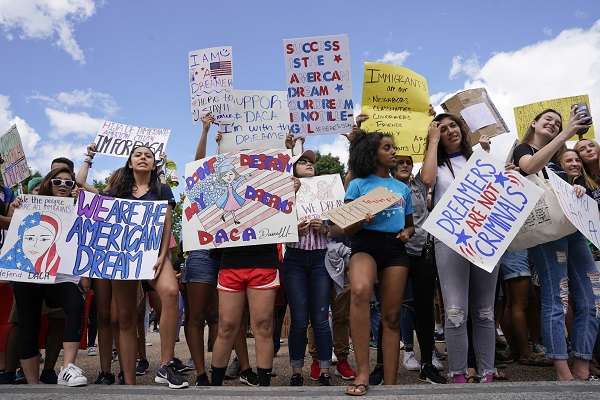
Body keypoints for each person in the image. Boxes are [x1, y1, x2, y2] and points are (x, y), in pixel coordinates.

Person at [77, 146, 187, 388]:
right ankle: (128, 383)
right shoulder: (117, 191)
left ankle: (166, 365)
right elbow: (81, 185)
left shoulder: (162, 189)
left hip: (155, 256)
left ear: (154, 164)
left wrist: (162, 255)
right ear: (129, 163)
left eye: (148, 155)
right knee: (125, 318)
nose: (143, 157)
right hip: (124, 258)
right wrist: (89, 158)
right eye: (138, 154)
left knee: (170, 292)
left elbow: (167, 224)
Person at [513, 107, 599, 381]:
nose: (553, 123)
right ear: (534, 123)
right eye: (548, 120)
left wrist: (579, 188)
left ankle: (583, 360)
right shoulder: (522, 149)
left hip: (573, 231)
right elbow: (529, 167)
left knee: (593, 297)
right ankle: (561, 365)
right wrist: (567, 131)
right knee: (557, 298)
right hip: (546, 236)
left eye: (558, 122)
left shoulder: (561, 156)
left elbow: (574, 183)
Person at [421, 113, 499, 384]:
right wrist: (431, 141)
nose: (450, 131)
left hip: (485, 238)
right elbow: (427, 180)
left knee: (485, 310)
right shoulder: (436, 164)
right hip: (450, 240)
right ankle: (457, 374)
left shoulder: (480, 158)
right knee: (455, 311)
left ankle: (487, 372)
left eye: (453, 125)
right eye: (442, 129)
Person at [343, 130, 414, 395]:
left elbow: (409, 226)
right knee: (360, 291)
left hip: (394, 250)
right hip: (364, 245)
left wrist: (408, 233)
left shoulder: (402, 188)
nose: (393, 152)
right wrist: (362, 218)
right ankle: (362, 372)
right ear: (373, 153)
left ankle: (391, 382)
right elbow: (346, 228)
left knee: (392, 316)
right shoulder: (358, 184)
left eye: (393, 147)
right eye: (387, 148)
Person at [6, 167, 89, 386]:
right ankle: (33, 384)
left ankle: (68, 368)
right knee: (28, 324)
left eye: (68, 183)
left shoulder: (79, 207)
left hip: (61, 276)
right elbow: (15, 229)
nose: (63, 186)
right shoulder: (28, 204)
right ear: (48, 183)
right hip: (29, 274)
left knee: (75, 304)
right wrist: (16, 210)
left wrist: (83, 204)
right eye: (57, 182)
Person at [283, 149, 333, 386]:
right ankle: (296, 371)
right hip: (294, 259)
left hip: (321, 258)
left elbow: (339, 225)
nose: (308, 164)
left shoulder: (328, 190)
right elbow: (274, 225)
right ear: (292, 169)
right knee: (300, 319)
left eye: (310, 162)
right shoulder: (284, 192)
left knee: (321, 318)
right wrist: (294, 228)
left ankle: (324, 370)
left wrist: (325, 227)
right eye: (301, 162)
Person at [182, 113, 222, 386]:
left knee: (219, 317)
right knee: (196, 316)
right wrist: (205, 132)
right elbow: (199, 163)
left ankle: (217, 367)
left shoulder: (238, 188)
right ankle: (200, 372)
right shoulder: (200, 186)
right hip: (200, 253)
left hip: (230, 254)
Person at [574, 139, 600, 204]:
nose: (589, 149)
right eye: (582, 149)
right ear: (578, 157)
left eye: (591, 146)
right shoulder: (579, 181)